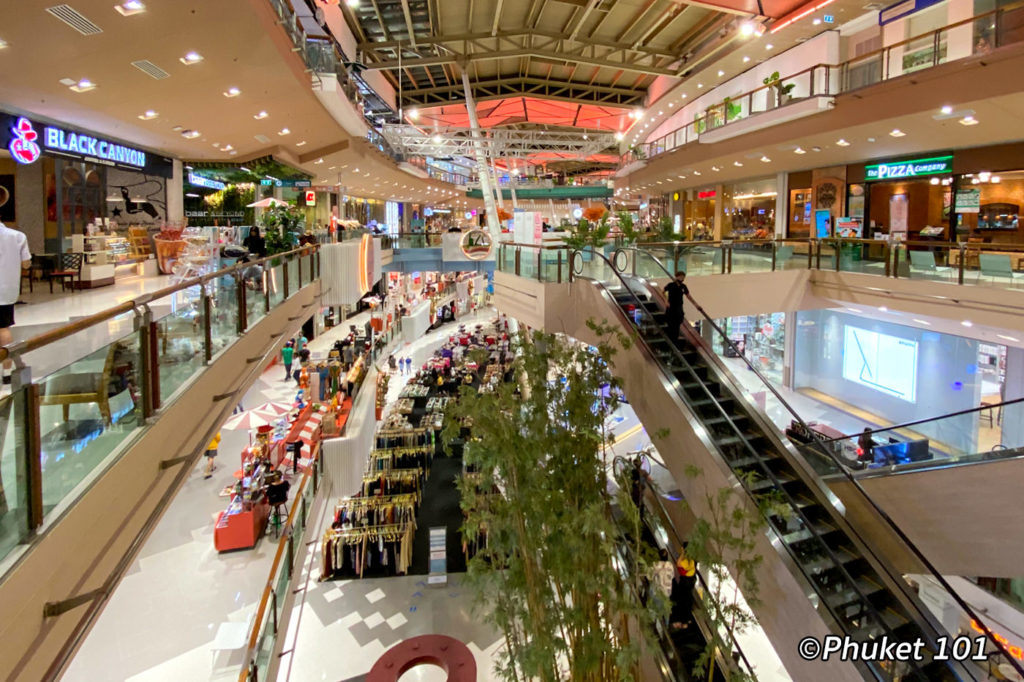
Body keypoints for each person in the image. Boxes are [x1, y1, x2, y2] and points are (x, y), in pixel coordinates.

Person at [0, 219, 31, 389]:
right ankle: (6, 373)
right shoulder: (17, 236)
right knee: (4, 328)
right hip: (6, 290)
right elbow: (26, 263)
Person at [662, 271, 689, 345]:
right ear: (676, 277)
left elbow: (688, 295)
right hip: (671, 307)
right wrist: (666, 301)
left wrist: (696, 304)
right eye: (680, 277)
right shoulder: (670, 285)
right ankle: (671, 340)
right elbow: (663, 292)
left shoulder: (683, 286)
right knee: (671, 324)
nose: (682, 279)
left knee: (677, 324)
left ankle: (675, 339)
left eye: (683, 277)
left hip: (679, 307)